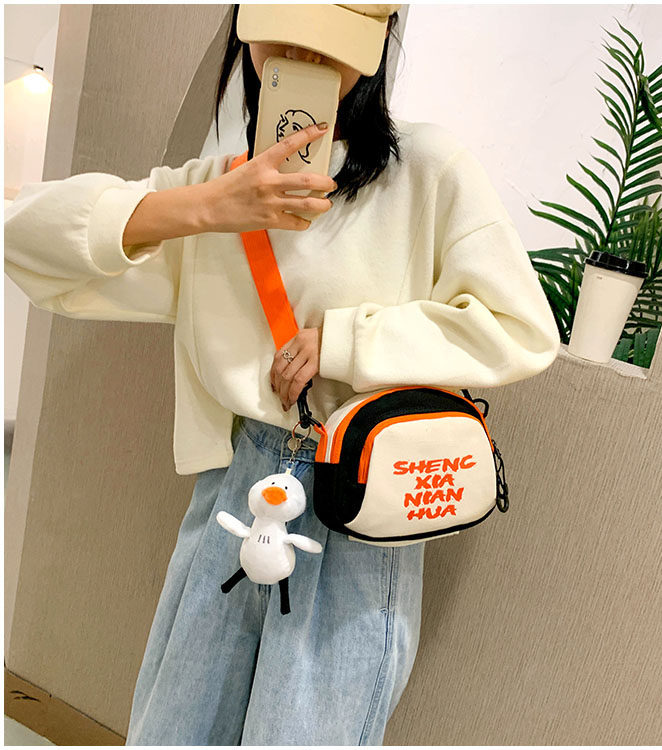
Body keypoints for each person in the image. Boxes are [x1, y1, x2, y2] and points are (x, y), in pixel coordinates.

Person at [4, 4, 560, 746]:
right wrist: (204, 206)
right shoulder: (213, 192)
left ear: (377, 48)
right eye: (285, 33)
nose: (304, 55)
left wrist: (346, 342)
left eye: (330, 43)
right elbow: (22, 235)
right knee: (176, 730)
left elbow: (520, 328)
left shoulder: (426, 171)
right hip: (239, 491)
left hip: (359, 506)